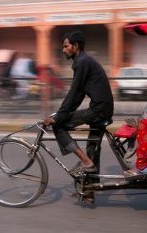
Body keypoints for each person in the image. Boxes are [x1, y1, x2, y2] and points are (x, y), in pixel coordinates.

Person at [43, 30, 114, 177]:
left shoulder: (82, 62)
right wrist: (62, 112)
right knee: (92, 148)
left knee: (59, 125)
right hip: (103, 109)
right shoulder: (85, 61)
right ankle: (89, 191)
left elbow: (74, 93)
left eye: (66, 46)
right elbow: (78, 95)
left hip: (99, 110)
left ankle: (85, 162)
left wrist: (58, 117)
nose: (63, 50)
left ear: (76, 46)